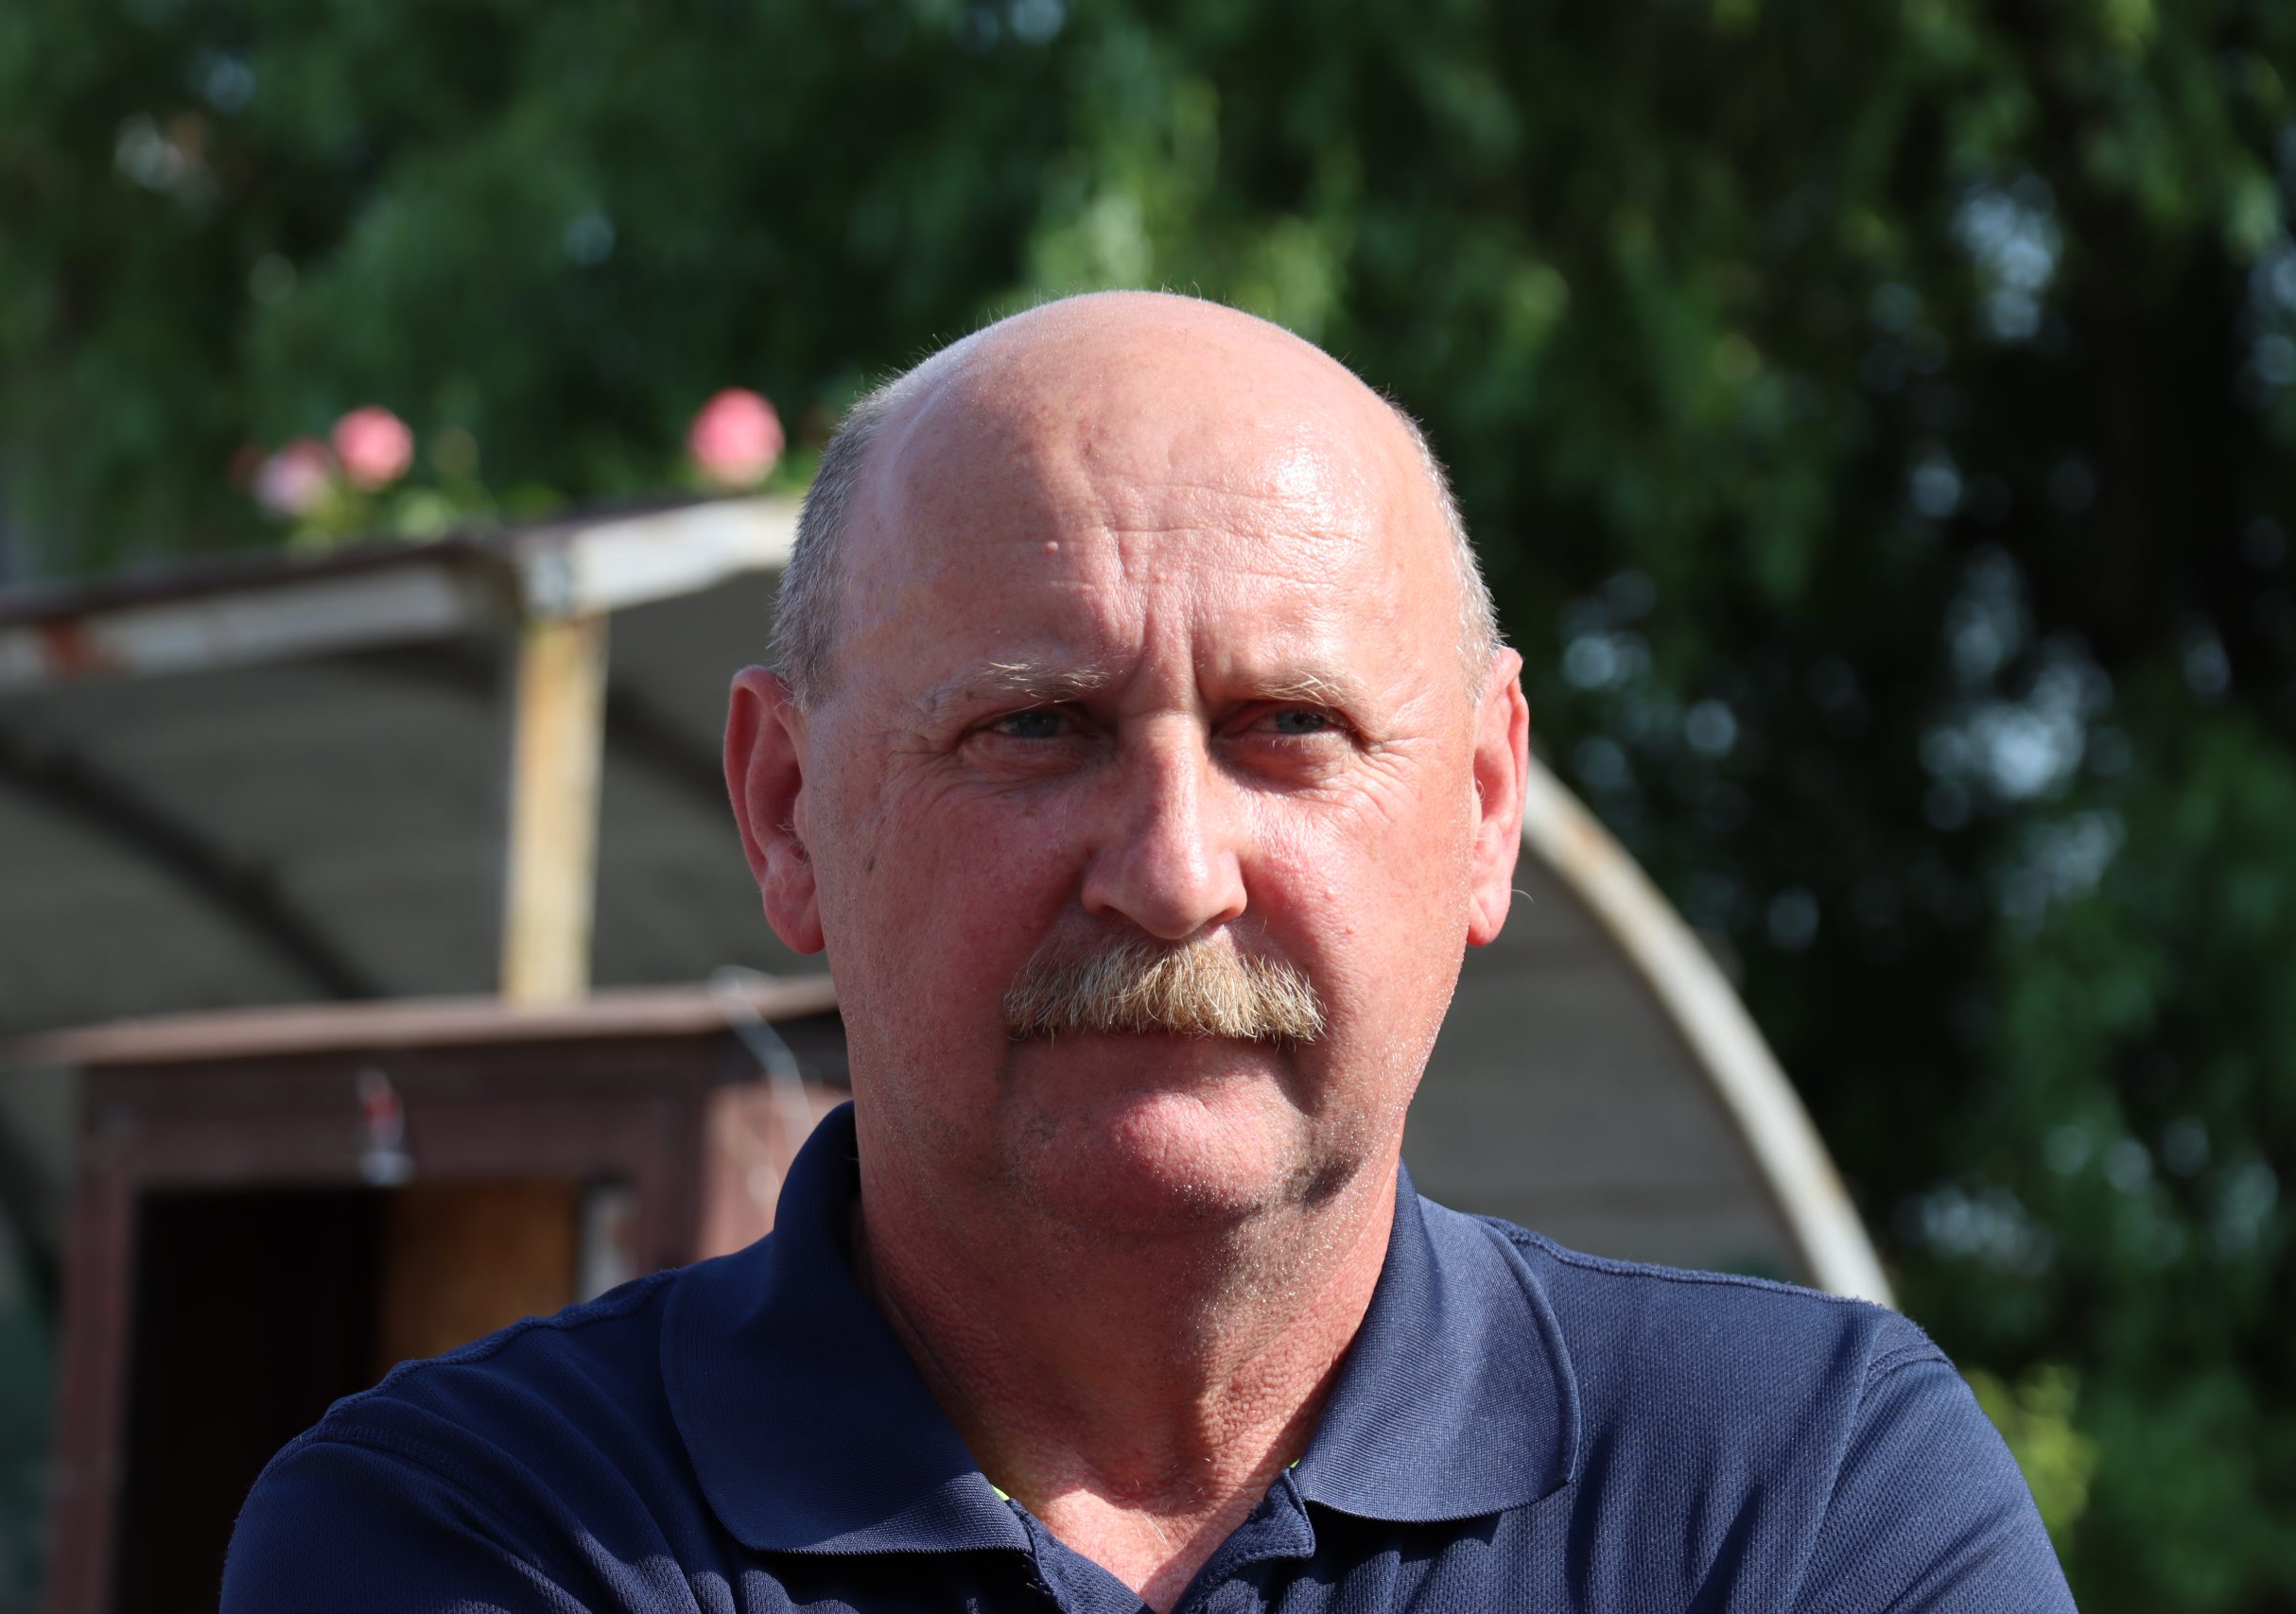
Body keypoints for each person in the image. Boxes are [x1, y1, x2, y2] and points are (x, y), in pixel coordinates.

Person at [223, 292, 2077, 1612]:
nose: (1174, 871)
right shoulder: (482, 1529)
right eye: (1035, 726)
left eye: (1290, 726)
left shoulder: (1797, 1496)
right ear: (787, 809)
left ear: (1484, 806)